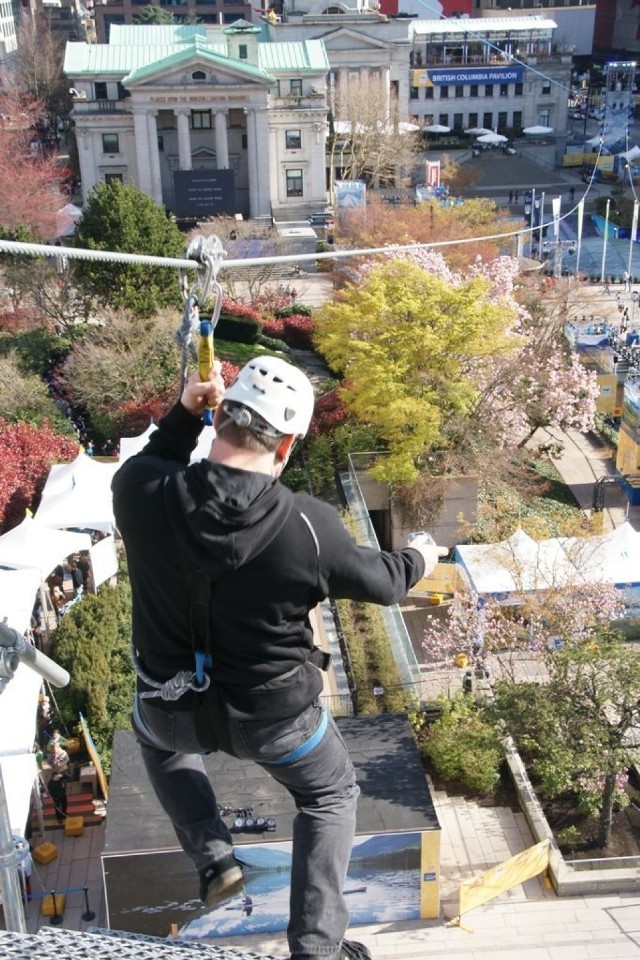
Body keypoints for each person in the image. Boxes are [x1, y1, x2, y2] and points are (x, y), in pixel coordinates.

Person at [112, 356, 443, 960]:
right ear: (287, 442)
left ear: (221, 420)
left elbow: (157, 456)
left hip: (170, 704)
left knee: (155, 739)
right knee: (331, 794)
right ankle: (316, 950)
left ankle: (214, 860)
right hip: (275, 721)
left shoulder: (139, 493)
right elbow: (389, 583)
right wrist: (422, 554)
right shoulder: (306, 527)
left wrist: (185, 413)